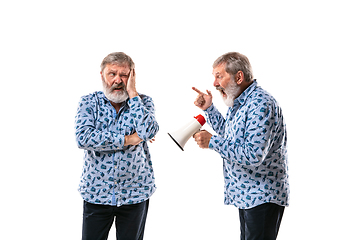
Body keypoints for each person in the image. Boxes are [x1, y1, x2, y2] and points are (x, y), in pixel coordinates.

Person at [192, 52, 289, 240]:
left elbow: (253, 154)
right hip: (248, 195)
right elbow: (230, 135)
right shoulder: (240, 103)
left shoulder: (260, 104)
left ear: (238, 77)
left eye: (219, 76)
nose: (214, 83)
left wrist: (212, 141)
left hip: (262, 196)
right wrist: (209, 109)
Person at [74, 52, 159, 240]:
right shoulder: (89, 102)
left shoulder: (143, 102)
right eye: (112, 74)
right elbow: (83, 138)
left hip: (135, 193)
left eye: (124, 75)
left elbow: (149, 131)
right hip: (96, 193)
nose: (118, 80)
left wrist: (133, 93)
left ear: (132, 76)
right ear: (102, 75)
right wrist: (128, 139)